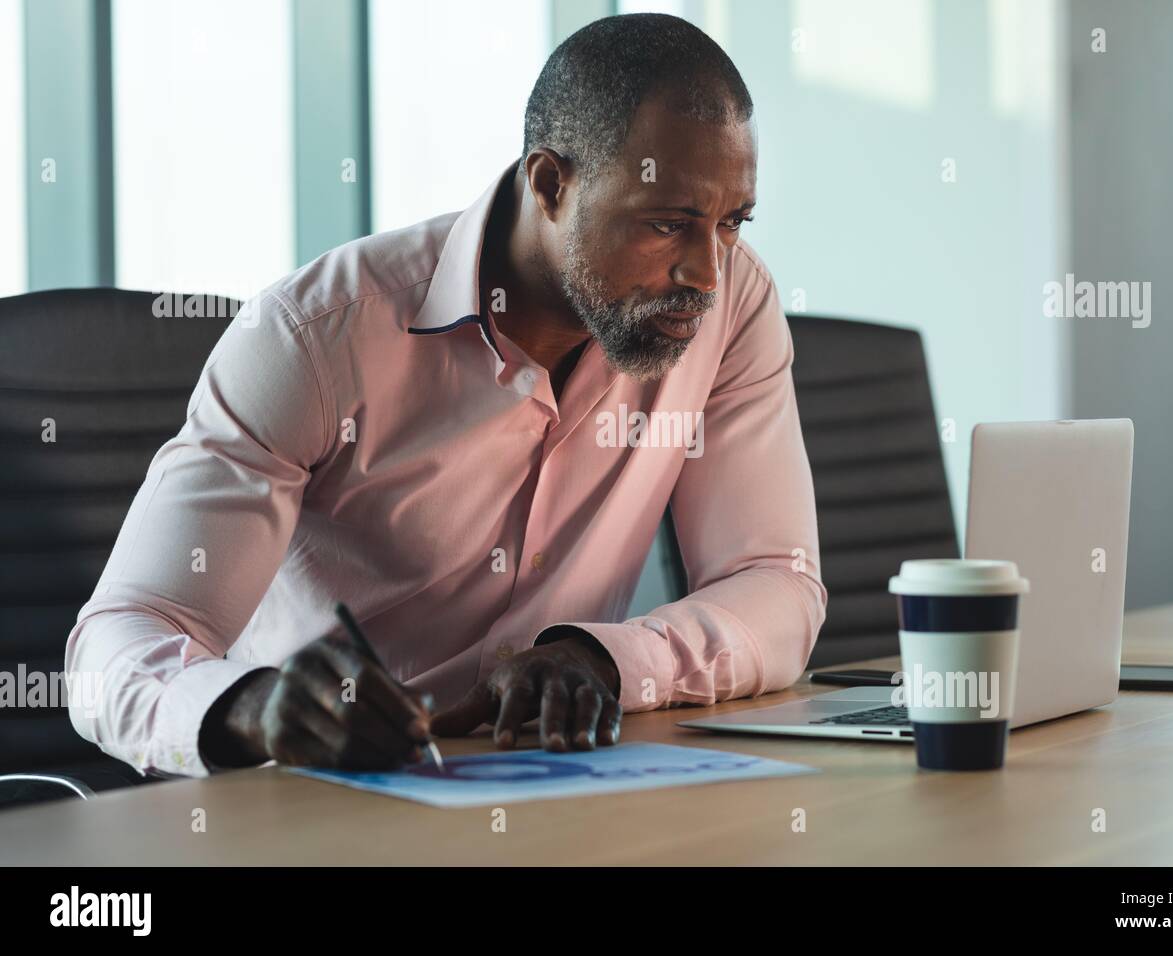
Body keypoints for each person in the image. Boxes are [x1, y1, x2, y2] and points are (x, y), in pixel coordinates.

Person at [66, 13, 826, 776]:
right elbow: (117, 641)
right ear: (551, 184)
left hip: (561, 787)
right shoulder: (314, 338)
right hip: (323, 801)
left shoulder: (731, 307)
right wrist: (248, 706)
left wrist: (604, 657)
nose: (707, 272)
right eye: (668, 224)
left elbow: (775, 579)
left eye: (732, 223)